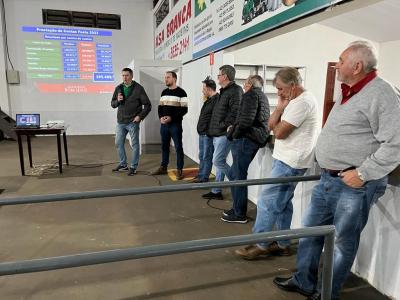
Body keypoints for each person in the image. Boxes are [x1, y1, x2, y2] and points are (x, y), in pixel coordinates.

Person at [273, 41, 400, 300]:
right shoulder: (348, 89)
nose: (336, 65)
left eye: (341, 61)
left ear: (357, 66)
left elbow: (396, 142)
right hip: (329, 179)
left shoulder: (382, 93)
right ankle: (304, 282)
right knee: (310, 232)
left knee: (342, 242)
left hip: (355, 184)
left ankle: (326, 292)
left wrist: (363, 173)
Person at [235, 67, 318, 252]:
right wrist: (280, 107)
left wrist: (279, 118)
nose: (279, 92)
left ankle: (260, 243)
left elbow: (278, 132)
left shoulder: (303, 103)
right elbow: (270, 125)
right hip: (287, 159)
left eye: (281, 89)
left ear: (293, 85)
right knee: (283, 203)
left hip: (291, 161)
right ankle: (283, 242)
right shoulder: (293, 101)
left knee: (267, 202)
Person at [222, 75, 270, 223]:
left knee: (238, 176)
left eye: (245, 82)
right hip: (252, 139)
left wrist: (233, 135)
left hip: (246, 139)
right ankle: (237, 207)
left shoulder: (251, 95)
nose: (243, 85)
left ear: (249, 84)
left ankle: (239, 213)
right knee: (234, 174)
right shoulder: (261, 95)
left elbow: (245, 121)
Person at [202, 65, 242, 200]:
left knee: (217, 161)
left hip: (224, 133)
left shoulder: (235, 91)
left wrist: (222, 125)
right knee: (219, 161)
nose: (218, 77)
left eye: (219, 75)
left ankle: (236, 183)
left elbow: (235, 113)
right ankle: (216, 191)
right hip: (217, 132)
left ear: (225, 76)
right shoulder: (224, 91)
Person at [111, 67, 151, 176]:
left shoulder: (138, 89)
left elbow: (148, 105)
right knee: (118, 143)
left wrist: (140, 116)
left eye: (127, 75)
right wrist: (117, 101)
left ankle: (133, 167)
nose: (124, 77)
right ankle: (123, 165)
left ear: (132, 76)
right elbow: (113, 104)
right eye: (123, 75)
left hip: (133, 122)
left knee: (135, 145)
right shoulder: (118, 88)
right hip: (121, 122)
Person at [152, 71, 188, 180]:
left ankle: (179, 169)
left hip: (175, 124)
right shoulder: (164, 92)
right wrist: (161, 117)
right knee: (164, 146)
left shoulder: (182, 92)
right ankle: (163, 167)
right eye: (165, 77)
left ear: (174, 79)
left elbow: (184, 109)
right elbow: (160, 107)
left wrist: (171, 118)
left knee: (178, 147)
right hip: (164, 125)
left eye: (168, 77)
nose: (166, 79)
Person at [191, 76, 219, 183]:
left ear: (209, 89)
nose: (202, 91)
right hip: (202, 133)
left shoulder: (217, 100)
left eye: (204, 89)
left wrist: (208, 131)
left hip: (207, 134)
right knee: (202, 155)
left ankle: (204, 177)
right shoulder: (209, 100)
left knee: (207, 156)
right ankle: (200, 174)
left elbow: (214, 118)